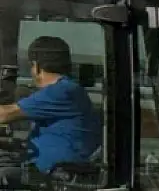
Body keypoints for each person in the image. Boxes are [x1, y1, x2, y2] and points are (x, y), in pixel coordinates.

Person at [0, 35, 100, 182]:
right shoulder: (67, 90)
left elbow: (4, 114)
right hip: (47, 172)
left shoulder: (61, 91)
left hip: (58, 177)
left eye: (31, 66)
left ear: (37, 66)